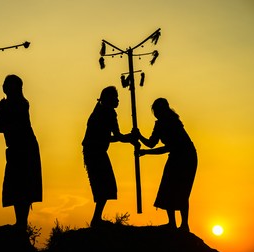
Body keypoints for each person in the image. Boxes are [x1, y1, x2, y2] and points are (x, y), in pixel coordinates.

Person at [0, 74, 42, 230]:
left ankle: (21, 223)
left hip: (26, 148)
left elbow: (9, 125)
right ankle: (20, 222)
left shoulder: (21, 104)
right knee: (16, 185)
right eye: (4, 84)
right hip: (15, 148)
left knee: (24, 185)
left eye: (8, 84)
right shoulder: (4, 105)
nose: (5, 87)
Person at [135, 98, 197, 232]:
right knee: (167, 187)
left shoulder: (173, 123)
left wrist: (146, 152)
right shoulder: (159, 125)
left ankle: (184, 225)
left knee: (182, 190)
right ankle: (171, 223)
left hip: (187, 157)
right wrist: (139, 136)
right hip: (175, 156)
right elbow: (152, 142)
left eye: (158, 110)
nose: (156, 113)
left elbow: (167, 148)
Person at [82, 86, 134, 227]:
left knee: (104, 185)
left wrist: (128, 137)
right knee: (104, 185)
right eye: (115, 98)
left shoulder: (99, 111)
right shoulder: (108, 113)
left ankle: (96, 219)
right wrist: (130, 137)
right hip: (95, 152)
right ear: (109, 99)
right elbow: (117, 136)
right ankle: (96, 220)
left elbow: (107, 137)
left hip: (94, 151)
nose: (117, 100)